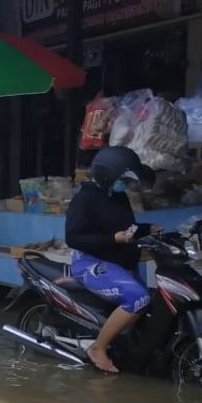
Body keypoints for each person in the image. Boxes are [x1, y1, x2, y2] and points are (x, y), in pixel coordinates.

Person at [65, 146, 159, 374]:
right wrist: (113, 238)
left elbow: (127, 228)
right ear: (108, 176)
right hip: (90, 262)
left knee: (148, 301)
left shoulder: (117, 196)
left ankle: (121, 344)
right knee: (138, 298)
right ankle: (98, 347)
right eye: (122, 179)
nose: (125, 185)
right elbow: (74, 238)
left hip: (120, 261)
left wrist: (147, 229)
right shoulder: (85, 199)